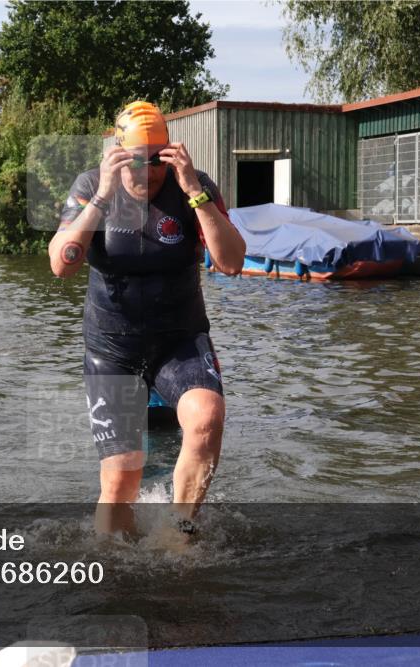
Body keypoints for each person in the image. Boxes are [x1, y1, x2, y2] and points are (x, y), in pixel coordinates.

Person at [48, 100, 246, 537]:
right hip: (112, 348)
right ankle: (109, 569)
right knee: (121, 478)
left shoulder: (192, 185)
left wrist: (194, 189)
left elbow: (231, 263)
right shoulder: (91, 186)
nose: (148, 171)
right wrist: (101, 196)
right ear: (118, 153)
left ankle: (178, 535)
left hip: (179, 340)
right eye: (136, 160)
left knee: (207, 417)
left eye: (157, 159)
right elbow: (61, 264)